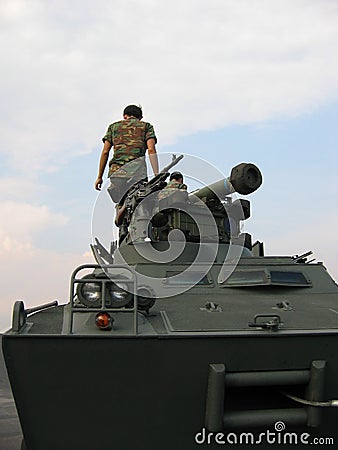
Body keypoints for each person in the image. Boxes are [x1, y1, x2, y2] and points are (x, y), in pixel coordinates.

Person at [94, 105, 159, 204]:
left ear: (124, 116)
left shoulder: (113, 127)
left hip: (117, 174)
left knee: (121, 202)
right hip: (138, 174)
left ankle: (120, 213)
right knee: (140, 201)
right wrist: (156, 175)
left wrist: (99, 177)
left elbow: (105, 152)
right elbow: (151, 150)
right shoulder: (146, 127)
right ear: (140, 118)